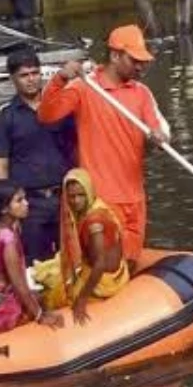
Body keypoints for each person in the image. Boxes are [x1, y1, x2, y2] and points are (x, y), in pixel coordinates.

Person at [38, 25, 169, 268]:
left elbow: (158, 129)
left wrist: (159, 138)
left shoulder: (141, 93)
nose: (141, 66)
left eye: (143, 61)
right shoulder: (84, 88)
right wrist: (61, 78)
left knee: (130, 262)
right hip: (103, 198)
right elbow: (47, 115)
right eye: (135, 60)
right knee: (106, 265)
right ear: (115, 55)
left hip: (135, 196)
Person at [0, 48, 76, 264]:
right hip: (30, 203)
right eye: (24, 75)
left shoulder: (61, 107)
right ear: (13, 79)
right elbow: (1, 165)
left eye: (34, 73)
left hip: (64, 197)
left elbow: (76, 148)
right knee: (35, 263)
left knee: (72, 259)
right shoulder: (4, 116)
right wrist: (8, 209)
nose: (31, 80)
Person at [33, 168, 129, 325]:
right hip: (115, 271)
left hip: (105, 282)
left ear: (89, 192)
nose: (76, 201)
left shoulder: (94, 223)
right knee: (53, 271)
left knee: (52, 296)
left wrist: (82, 300)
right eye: (71, 196)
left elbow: (100, 264)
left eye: (81, 195)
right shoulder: (98, 205)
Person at [0, 182, 63, 332]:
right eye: (19, 200)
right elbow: (19, 286)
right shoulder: (7, 238)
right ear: (4, 209)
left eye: (25, 198)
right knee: (49, 294)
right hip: (2, 312)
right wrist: (39, 315)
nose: (26, 203)